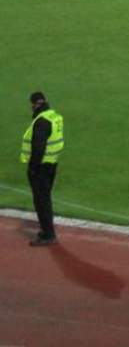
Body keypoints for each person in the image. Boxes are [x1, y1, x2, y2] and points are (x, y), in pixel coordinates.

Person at [21, 91, 64, 246]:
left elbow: (38, 148)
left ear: (34, 104)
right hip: (52, 163)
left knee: (41, 200)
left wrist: (32, 167)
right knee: (45, 197)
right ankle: (47, 230)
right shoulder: (54, 116)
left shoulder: (42, 121)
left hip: (41, 167)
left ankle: (48, 234)